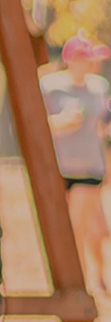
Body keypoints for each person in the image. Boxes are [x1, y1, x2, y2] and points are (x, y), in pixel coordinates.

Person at [42, 34, 109, 291]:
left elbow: (104, 125)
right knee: (73, 227)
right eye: (84, 59)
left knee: (78, 227)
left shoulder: (99, 87)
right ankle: (81, 279)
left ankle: (78, 283)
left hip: (90, 167)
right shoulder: (50, 86)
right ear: (70, 60)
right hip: (60, 167)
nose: (89, 64)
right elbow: (37, 124)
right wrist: (62, 122)